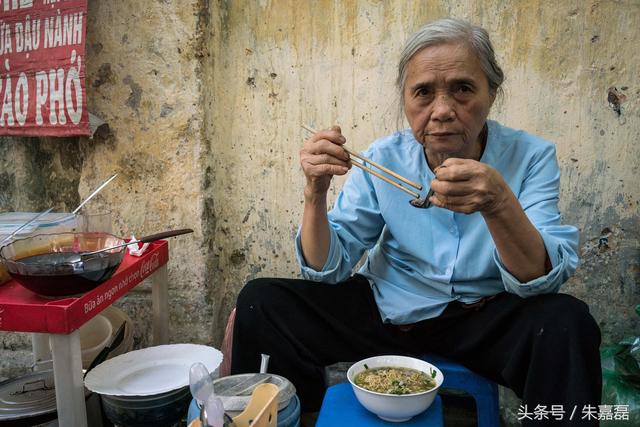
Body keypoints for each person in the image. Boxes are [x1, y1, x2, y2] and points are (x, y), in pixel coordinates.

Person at [231, 18, 601, 425]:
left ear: (491, 95)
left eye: (463, 89)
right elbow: (327, 269)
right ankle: (297, 417)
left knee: (566, 322)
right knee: (261, 302)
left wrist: (499, 204)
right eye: (423, 93)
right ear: (406, 101)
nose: (442, 111)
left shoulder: (530, 157)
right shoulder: (383, 158)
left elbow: (540, 277)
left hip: (487, 315)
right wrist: (315, 192)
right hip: (390, 311)